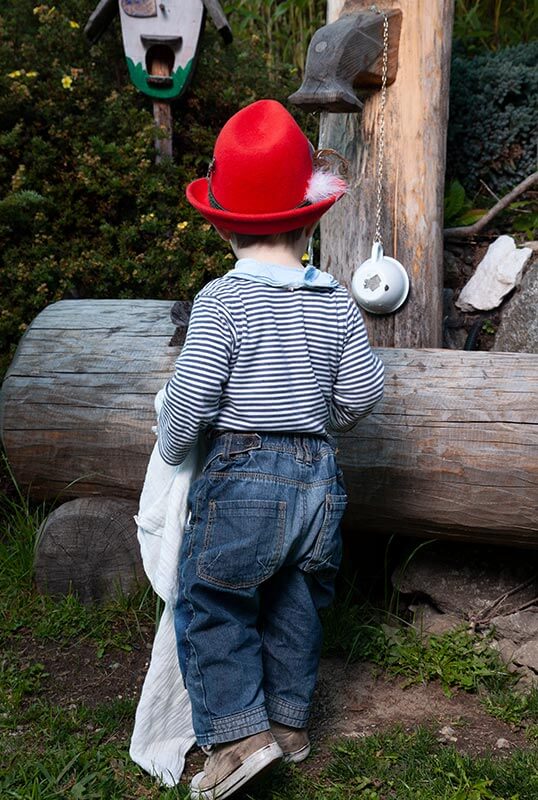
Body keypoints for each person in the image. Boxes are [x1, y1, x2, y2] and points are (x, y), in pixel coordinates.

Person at [157, 99, 385, 800]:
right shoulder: (337, 300)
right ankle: (288, 725)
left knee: (216, 600)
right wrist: (327, 415)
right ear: (310, 217)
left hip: (243, 472)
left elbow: (191, 396)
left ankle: (236, 738)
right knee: (296, 601)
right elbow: (364, 391)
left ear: (224, 224)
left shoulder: (222, 301)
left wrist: (170, 447)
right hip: (319, 476)